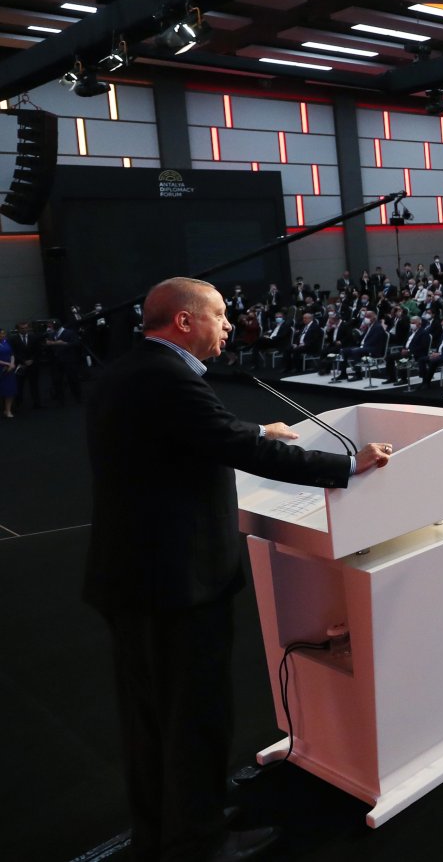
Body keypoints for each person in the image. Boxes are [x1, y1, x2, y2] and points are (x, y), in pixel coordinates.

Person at [84, 278, 393, 862]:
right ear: (183, 322)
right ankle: (198, 841)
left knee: (151, 716)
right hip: (176, 581)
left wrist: (253, 429)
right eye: (220, 315)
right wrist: (349, 464)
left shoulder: (127, 372)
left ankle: (169, 823)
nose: (229, 325)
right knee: (193, 714)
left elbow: (196, 437)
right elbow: (240, 449)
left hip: (134, 576)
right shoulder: (168, 379)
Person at [0, 327, 16, 418]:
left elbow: (12, 354)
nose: (3, 335)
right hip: (1, 369)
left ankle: (8, 410)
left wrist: (12, 364)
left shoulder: (6, 342)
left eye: (3, 333)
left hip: (9, 370)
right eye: (1, 334)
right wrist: (7, 363)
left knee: (10, 390)